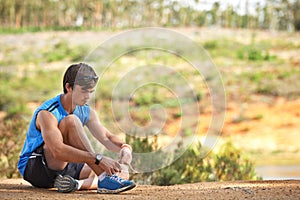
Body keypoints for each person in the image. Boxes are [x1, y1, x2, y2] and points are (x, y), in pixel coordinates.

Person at [17, 63, 136, 194]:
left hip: (65, 169)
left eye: (91, 92)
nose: (88, 96)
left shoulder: (86, 111)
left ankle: (78, 184)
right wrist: (99, 159)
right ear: (68, 87)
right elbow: (57, 150)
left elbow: (106, 137)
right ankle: (104, 178)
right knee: (71, 121)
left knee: (120, 173)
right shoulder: (47, 113)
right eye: (84, 91)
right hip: (37, 167)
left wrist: (125, 148)